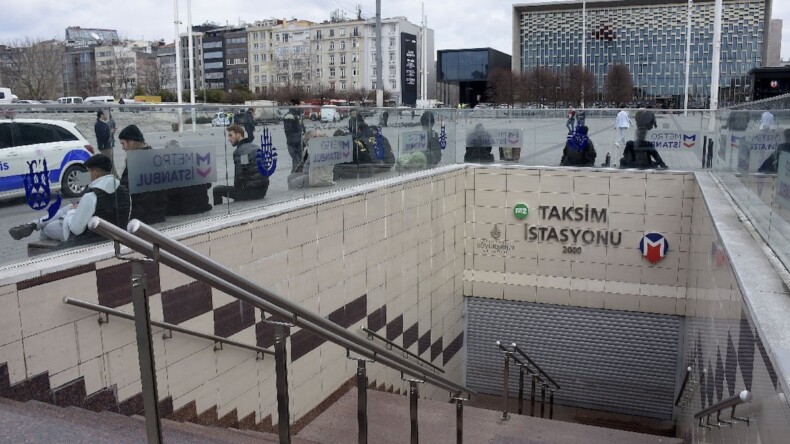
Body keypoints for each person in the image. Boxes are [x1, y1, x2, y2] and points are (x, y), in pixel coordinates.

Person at [8, 154, 130, 242]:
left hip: (88, 239)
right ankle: (34, 224)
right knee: (69, 207)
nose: (86, 176)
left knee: (46, 229)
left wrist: (71, 213)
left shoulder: (91, 196)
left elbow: (76, 229)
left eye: (87, 172)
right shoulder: (124, 191)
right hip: (115, 235)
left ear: (95, 173)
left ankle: (37, 229)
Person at [117, 125, 169, 224]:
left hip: (140, 216)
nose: (123, 148)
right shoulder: (155, 157)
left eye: (123, 143)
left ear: (131, 142)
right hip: (159, 212)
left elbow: (124, 190)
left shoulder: (135, 161)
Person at [213, 124, 270, 205]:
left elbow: (240, 176)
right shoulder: (255, 147)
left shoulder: (240, 151)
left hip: (251, 193)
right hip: (262, 190)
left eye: (230, 135)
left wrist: (237, 196)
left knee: (217, 190)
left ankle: (218, 215)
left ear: (238, 135)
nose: (229, 139)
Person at [283, 99, 305, 172]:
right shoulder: (290, 116)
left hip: (299, 142)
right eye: (302, 105)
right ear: (296, 105)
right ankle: (295, 177)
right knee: (297, 162)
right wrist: (298, 138)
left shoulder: (298, 115)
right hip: (294, 143)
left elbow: (301, 128)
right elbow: (289, 131)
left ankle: (295, 177)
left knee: (299, 162)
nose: (303, 107)